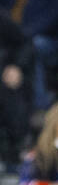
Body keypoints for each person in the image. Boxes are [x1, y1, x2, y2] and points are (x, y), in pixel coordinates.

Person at [0, 10, 30, 165]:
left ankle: (13, 152)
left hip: (4, 74)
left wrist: (17, 66)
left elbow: (24, 43)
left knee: (10, 89)